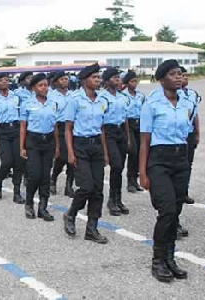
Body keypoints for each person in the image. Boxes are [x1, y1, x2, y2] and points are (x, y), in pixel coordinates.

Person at [139, 60, 192, 283]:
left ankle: (170, 258)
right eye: (173, 74)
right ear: (162, 80)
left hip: (180, 159)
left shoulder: (185, 103)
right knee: (167, 210)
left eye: (180, 73)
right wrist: (142, 172)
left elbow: (187, 134)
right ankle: (158, 260)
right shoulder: (152, 104)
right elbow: (144, 141)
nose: (179, 77)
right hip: (158, 160)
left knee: (176, 211)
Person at [62, 63, 110, 243]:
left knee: (98, 190)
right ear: (84, 80)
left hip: (96, 145)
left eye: (99, 77)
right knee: (86, 187)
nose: (98, 80)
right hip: (80, 146)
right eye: (94, 77)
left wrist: (105, 152)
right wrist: (71, 153)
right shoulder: (74, 100)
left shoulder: (102, 100)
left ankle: (92, 229)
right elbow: (68, 128)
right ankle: (71, 214)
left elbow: (102, 128)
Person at [20, 73, 59, 221]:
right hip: (33, 141)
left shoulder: (53, 104)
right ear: (34, 88)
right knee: (34, 175)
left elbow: (55, 126)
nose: (44, 88)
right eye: (40, 85)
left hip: (48, 141)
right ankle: (29, 203)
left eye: (45, 85)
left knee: (45, 176)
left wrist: (57, 146)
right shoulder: (27, 103)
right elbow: (23, 127)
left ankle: (43, 208)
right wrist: (22, 147)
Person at [0, 73, 26, 204]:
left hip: (15, 130)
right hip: (2, 131)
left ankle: (17, 193)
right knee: (6, 162)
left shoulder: (16, 97)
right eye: (1, 80)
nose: (5, 82)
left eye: (6, 80)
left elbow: (21, 116)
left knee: (19, 162)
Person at [99, 67, 130, 216]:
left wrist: (128, 138)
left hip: (121, 132)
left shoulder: (123, 97)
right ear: (106, 81)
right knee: (116, 165)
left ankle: (118, 199)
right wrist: (104, 148)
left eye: (118, 77)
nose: (118, 80)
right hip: (108, 132)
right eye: (114, 78)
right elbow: (101, 123)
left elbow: (125, 120)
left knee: (120, 167)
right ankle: (111, 200)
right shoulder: (102, 98)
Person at [49, 71, 76, 198]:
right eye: (62, 79)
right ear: (55, 82)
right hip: (58, 128)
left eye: (66, 79)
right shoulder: (51, 96)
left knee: (73, 158)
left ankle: (69, 185)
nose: (65, 81)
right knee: (62, 157)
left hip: (72, 127)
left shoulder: (73, 95)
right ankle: (53, 178)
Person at [179, 68, 201, 205]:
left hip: (190, 133)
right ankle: (179, 192)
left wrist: (197, 132)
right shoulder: (172, 94)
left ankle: (184, 191)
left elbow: (195, 114)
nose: (184, 78)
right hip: (178, 134)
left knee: (188, 164)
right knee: (179, 164)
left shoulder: (193, 94)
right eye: (182, 76)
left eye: (186, 76)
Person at [123, 70, 146, 193]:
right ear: (127, 83)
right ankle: (129, 181)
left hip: (139, 124)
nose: (134, 83)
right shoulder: (123, 96)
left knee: (139, 154)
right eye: (132, 81)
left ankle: (134, 180)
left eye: (136, 81)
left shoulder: (141, 96)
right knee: (133, 151)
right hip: (129, 125)